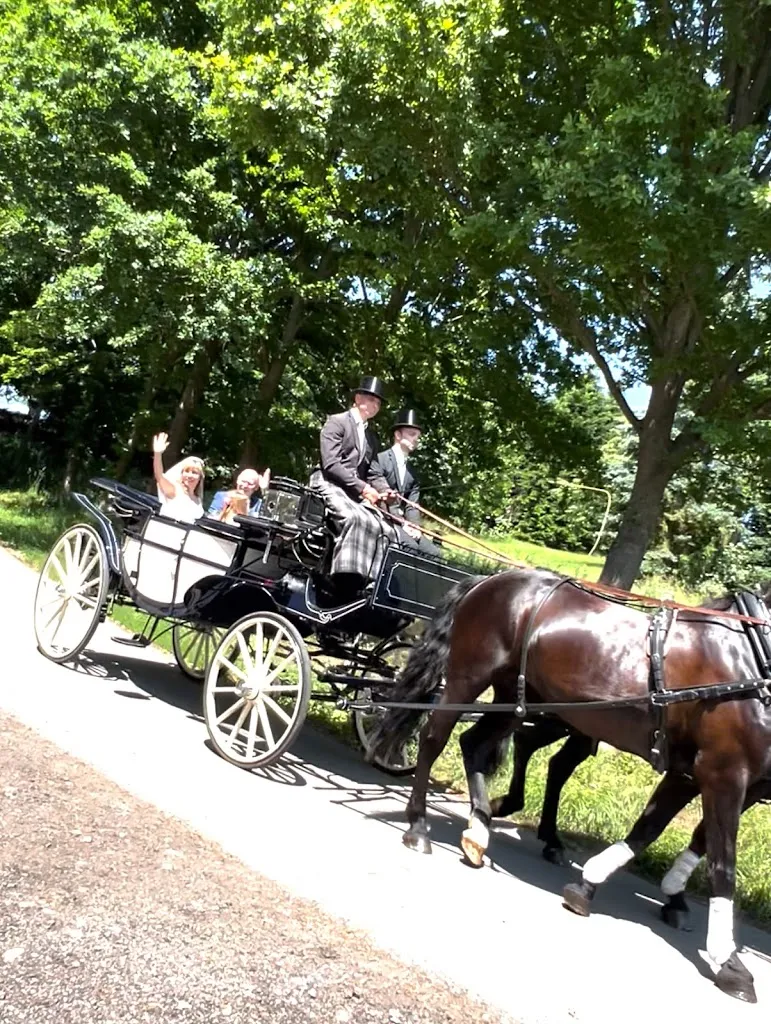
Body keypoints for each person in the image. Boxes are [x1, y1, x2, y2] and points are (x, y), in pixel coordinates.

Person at [308, 375, 396, 586]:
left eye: (378, 402)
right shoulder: (336, 422)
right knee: (355, 518)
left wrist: (385, 491)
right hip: (327, 482)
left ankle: (370, 579)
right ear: (358, 398)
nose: (376, 405)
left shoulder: (371, 438)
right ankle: (343, 576)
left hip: (351, 491)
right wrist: (363, 488)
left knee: (385, 528)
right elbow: (331, 464)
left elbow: (374, 473)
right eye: (371, 399)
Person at [377, 409, 423, 540]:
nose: (416, 439)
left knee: (433, 552)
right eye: (412, 434)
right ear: (398, 435)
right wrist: (402, 523)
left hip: (402, 524)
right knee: (409, 548)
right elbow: (380, 500)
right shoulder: (380, 460)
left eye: (418, 436)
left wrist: (415, 527)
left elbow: (412, 505)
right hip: (383, 519)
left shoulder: (412, 472)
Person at [152, 432, 205, 523]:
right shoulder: (175, 490)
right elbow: (159, 476)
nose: (190, 475)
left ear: (200, 477)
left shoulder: (198, 499)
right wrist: (158, 454)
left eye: (194, 472)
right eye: (187, 471)